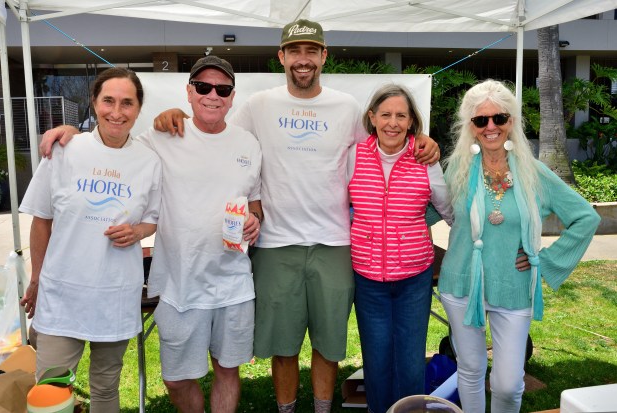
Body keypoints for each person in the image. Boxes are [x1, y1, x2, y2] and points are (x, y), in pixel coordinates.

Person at [150, 19, 440, 412]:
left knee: (329, 344)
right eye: (295, 52)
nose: (303, 60)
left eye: (311, 51)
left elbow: (383, 143)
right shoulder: (258, 106)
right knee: (282, 347)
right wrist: (173, 115)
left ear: (323, 56)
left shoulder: (347, 107)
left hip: (335, 243)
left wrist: (421, 139)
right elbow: (214, 133)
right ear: (282, 57)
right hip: (275, 244)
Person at [38, 56, 263, 413]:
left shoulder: (248, 144)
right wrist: (74, 134)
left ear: (232, 97)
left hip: (233, 283)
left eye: (222, 89)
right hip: (178, 284)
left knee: (227, 368)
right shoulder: (160, 136)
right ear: (189, 92)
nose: (212, 95)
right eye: (203, 87)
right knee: (175, 378)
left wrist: (254, 220)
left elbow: (255, 203)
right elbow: (113, 142)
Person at [438, 79, 600, 413]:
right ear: (471, 126)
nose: (491, 126)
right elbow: (421, 207)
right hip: (461, 284)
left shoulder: (533, 173)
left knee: (509, 384)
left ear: (512, 121)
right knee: (470, 369)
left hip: (513, 286)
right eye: (481, 120)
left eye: (500, 117)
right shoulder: (457, 169)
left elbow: (585, 217)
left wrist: (546, 259)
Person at [19, 67, 162, 412]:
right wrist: (36, 278)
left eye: (127, 103)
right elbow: (42, 221)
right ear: (94, 103)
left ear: (138, 109)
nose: (117, 111)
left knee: (105, 387)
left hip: (114, 295)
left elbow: (152, 221)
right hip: (62, 294)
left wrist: (137, 232)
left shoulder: (149, 161)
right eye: (108, 101)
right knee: (50, 393)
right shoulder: (65, 150)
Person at [347, 83, 453, 413]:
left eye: (401, 116)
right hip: (367, 279)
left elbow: (449, 211)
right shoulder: (354, 155)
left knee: (409, 363)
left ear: (411, 122)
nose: (393, 122)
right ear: (372, 118)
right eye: (386, 114)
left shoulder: (425, 158)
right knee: (376, 362)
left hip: (413, 278)